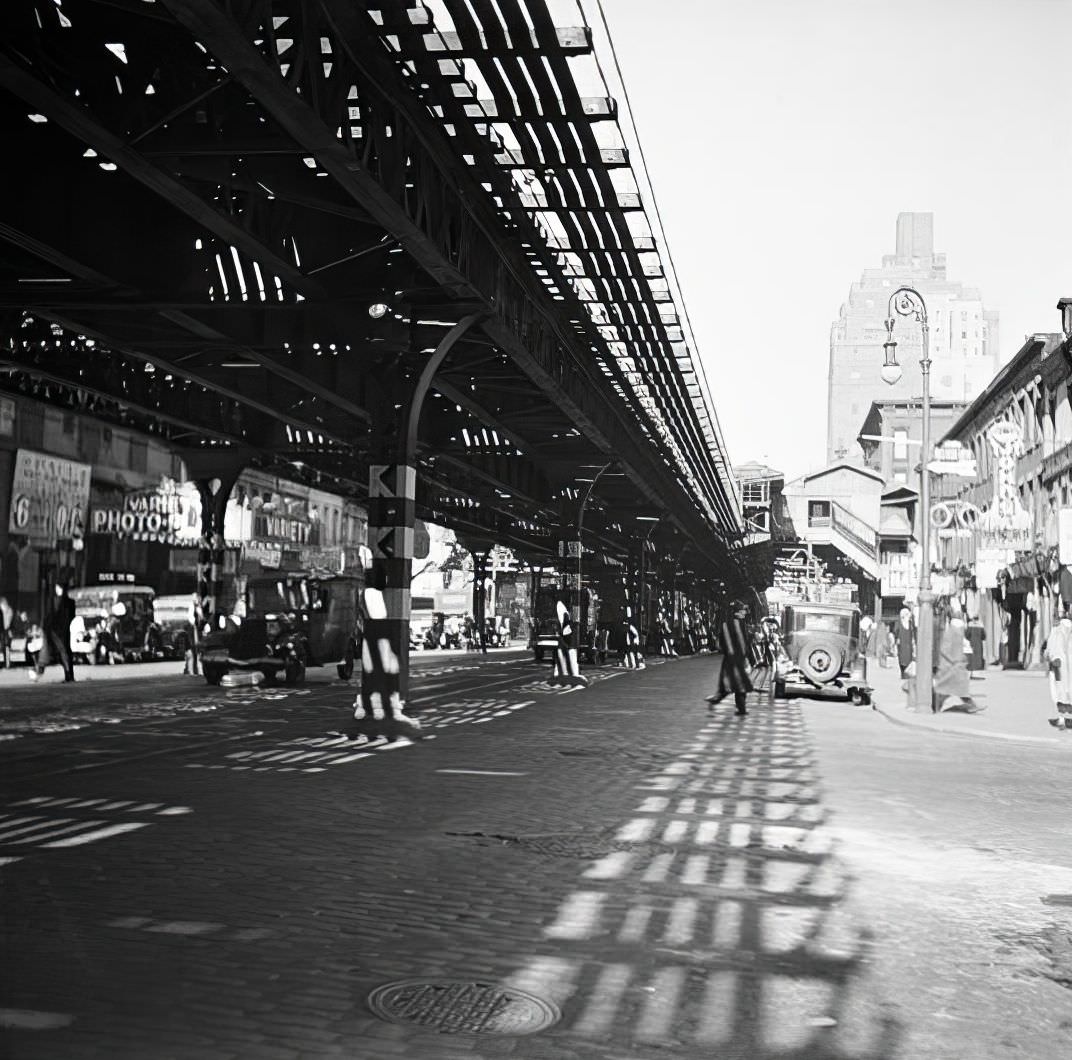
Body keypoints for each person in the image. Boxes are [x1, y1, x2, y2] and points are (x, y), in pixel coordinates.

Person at [705, 601, 753, 716]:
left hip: (729, 659)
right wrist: (747, 658)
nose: (745, 613)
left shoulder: (725, 624)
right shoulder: (739, 624)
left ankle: (716, 701)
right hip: (737, 659)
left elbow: (721, 644)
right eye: (743, 610)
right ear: (739, 611)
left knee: (728, 685)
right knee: (739, 685)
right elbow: (742, 642)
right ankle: (740, 709)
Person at [933, 602, 976, 712]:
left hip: (954, 668)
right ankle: (969, 704)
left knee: (952, 688)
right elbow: (945, 649)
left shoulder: (956, 631)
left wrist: (960, 658)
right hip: (950, 668)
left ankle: (969, 704)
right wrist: (954, 660)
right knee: (953, 688)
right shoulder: (952, 632)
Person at [33, 582, 76, 682]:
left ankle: (68, 675)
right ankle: (68, 675)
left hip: (58, 630)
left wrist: (54, 625)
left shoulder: (62, 601)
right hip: (59, 630)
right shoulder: (65, 601)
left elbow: (56, 615)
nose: (56, 590)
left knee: (61, 651)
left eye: (57, 588)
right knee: (62, 651)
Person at [1044, 608, 1072, 731]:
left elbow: (1057, 647)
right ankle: (1063, 718)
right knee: (1063, 692)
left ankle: (1064, 719)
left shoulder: (1061, 629)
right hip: (1061, 664)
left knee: (1060, 692)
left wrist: (1054, 657)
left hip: (1059, 665)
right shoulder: (1062, 628)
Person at [895, 607, 916, 680]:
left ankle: (907, 674)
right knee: (902, 659)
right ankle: (903, 673)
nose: (908, 616)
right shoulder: (899, 623)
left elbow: (913, 633)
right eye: (906, 614)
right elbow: (896, 632)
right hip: (902, 644)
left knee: (909, 659)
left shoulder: (910, 623)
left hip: (909, 645)